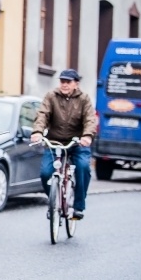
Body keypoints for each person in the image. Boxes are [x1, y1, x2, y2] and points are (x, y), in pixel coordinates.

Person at [31, 69, 97, 220]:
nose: (65, 85)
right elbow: (42, 115)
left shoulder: (84, 99)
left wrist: (87, 136)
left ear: (76, 84)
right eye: (62, 81)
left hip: (77, 143)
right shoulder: (51, 96)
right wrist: (38, 132)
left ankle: (79, 206)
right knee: (46, 173)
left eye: (68, 82)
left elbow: (90, 120)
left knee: (83, 167)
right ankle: (53, 202)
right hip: (54, 142)